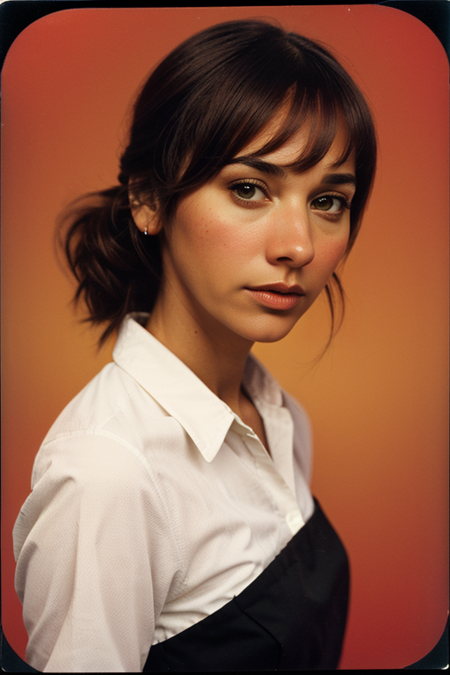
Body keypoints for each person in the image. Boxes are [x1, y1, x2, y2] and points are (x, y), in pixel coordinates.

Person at [13, 19, 377, 672]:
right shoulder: (109, 473)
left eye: (328, 200)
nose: (297, 244)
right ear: (149, 200)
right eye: (248, 188)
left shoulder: (280, 417)